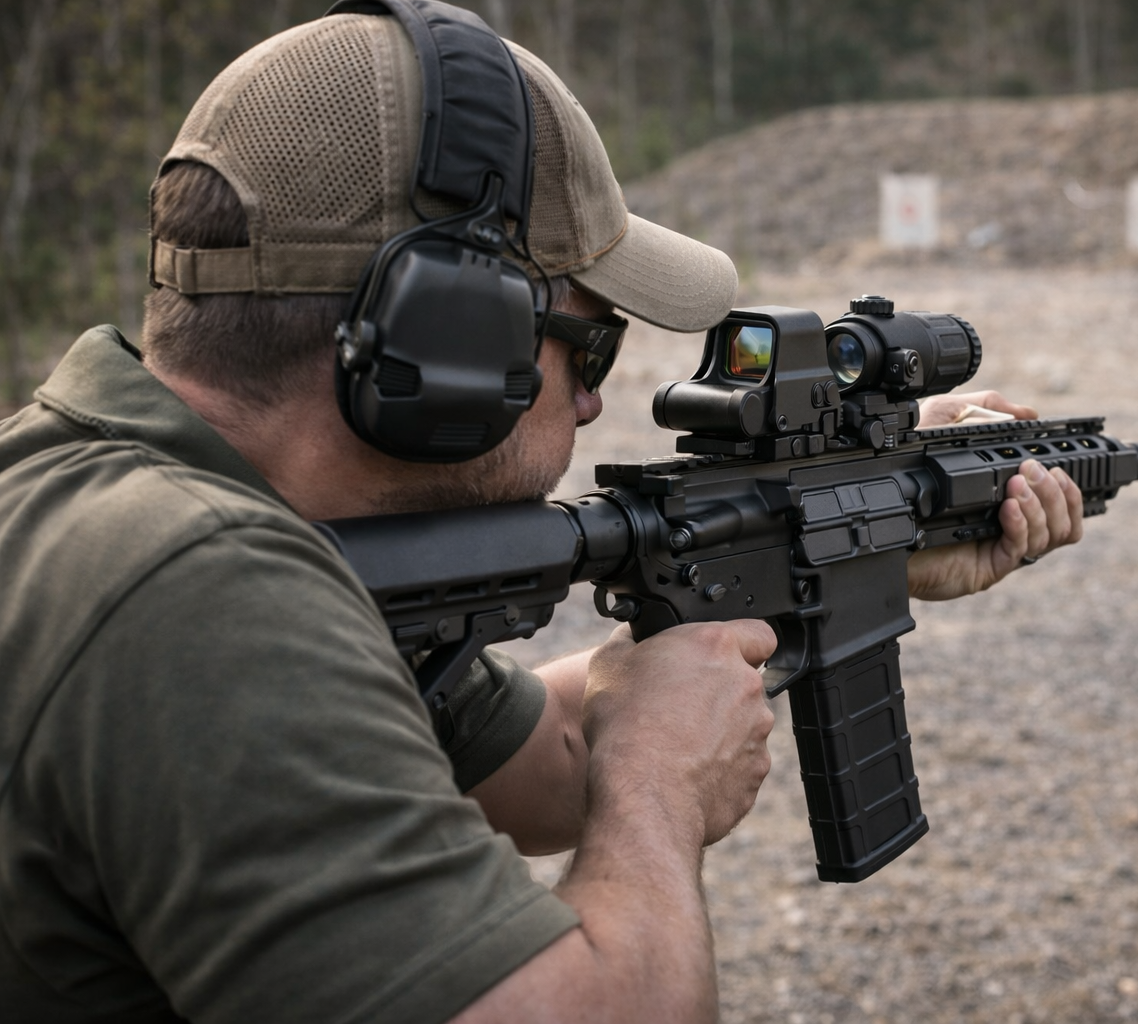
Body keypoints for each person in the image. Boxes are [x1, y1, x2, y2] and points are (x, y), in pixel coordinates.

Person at [0, 6, 1082, 1023]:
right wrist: (658, 789)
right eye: (592, 343)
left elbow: (548, 760)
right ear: (447, 336)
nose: (598, 394)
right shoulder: (204, 597)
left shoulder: (123, 511)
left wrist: (849, 549)